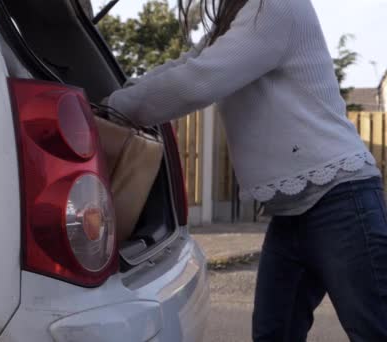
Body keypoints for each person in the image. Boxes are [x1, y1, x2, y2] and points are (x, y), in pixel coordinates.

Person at [105, 0, 387, 341]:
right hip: (290, 212)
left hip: (340, 199)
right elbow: (189, 63)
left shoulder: (277, 6)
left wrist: (113, 109)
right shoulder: (240, 15)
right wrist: (119, 96)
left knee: (374, 329)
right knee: (273, 333)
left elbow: (202, 79)